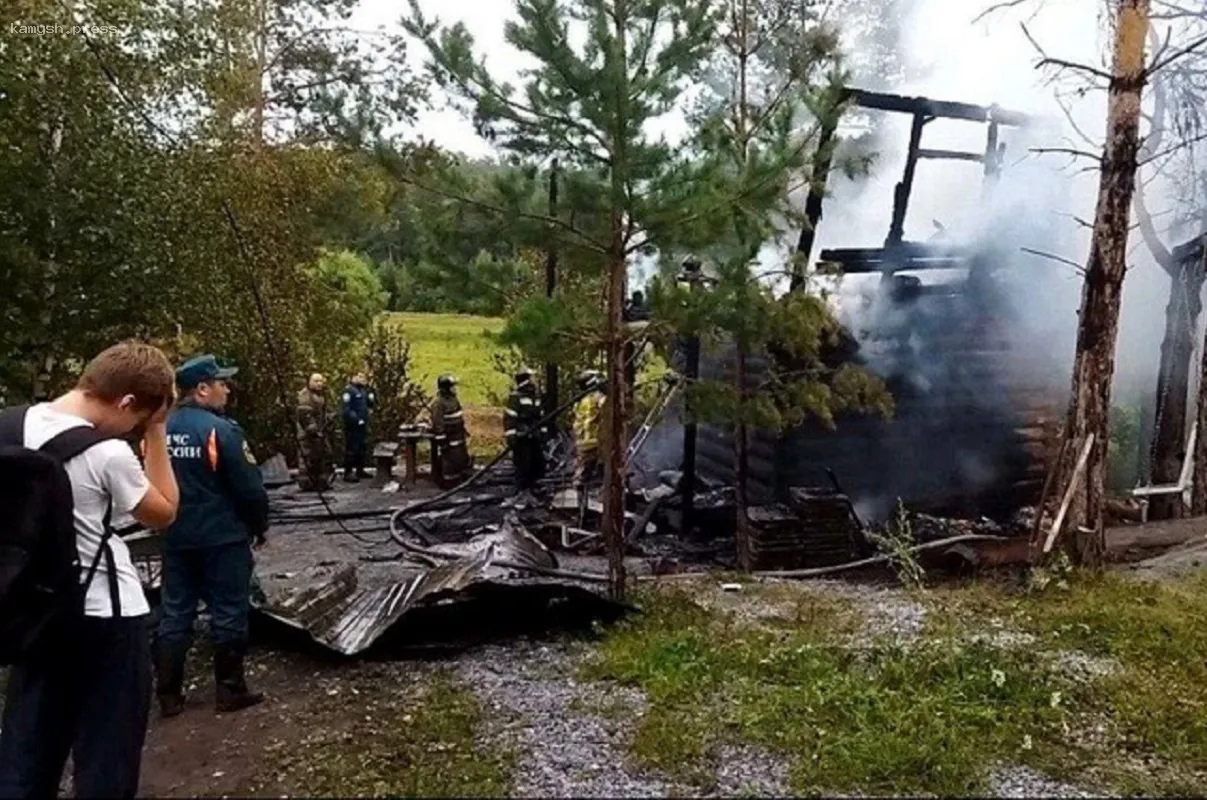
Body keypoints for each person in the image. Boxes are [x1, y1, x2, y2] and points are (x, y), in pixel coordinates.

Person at [0, 341, 179, 798]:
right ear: (126, 403)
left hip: (30, 613)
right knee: (107, 755)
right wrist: (155, 434)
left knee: (27, 750)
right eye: (136, 419)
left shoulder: (7, 428)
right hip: (107, 620)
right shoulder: (106, 454)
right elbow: (163, 512)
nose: (132, 429)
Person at [156, 355, 269, 718]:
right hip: (222, 537)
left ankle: (169, 695)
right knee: (229, 610)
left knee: (174, 612)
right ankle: (230, 689)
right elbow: (249, 488)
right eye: (221, 383)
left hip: (175, 535)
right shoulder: (222, 431)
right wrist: (259, 525)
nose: (227, 388)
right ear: (202, 389)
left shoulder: (160, 429)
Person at [503, 367, 546, 506]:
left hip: (534, 437)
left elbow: (540, 416)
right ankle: (521, 493)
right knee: (523, 465)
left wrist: (542, 433)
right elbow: (510, 419)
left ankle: (532, 491)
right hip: (522, 438)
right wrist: (512, 437)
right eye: (532, 377)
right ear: (526, 380)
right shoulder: (516, 397)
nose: (535, 380)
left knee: (538, 464)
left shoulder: (535, 396)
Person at [572, 370, 606, 528]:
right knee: (607, 478)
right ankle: (604, 515)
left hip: (582, 446)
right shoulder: (598, 398)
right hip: (598, 445)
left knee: (581, 481)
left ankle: (581, 515)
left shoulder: (580, 401)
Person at [430, 375, 471, 487]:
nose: (454, 389)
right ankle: (448, 482)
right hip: (449, 437)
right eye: (452, 387)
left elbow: (458, 416)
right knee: (449, 461)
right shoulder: (439, 403)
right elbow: (438, 423)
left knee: (460, 459)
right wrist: (442, 441)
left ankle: (460, 479)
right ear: (446, 388)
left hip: (458, 436)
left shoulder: (454, 400)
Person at [296, 373, 332, 491]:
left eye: (321, 381)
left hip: (320, 433)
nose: (319, 384)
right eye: (316, 381)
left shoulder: (321, 396)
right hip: (307, 435)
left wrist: (328, 418)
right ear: (309, 382)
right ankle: (306, 484)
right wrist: (314, 430)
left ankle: (321, 482)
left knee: (324, 456)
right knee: (307, 459)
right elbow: (304, 416)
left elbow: (323, 413)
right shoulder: (305, 396)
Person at [340, 372, 376, 483]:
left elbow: (370, 406)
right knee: (352, 448)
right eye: (360, 377)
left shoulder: (364, 391)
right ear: (353, 377)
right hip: (353, 425)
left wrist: (372, 397)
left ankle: (360, 470)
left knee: (362, 447)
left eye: (364, 377)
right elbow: (346, 409)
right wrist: (356, 419)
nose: (362, 379)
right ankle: (348, 472)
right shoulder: (349, 390)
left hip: (363, 424)